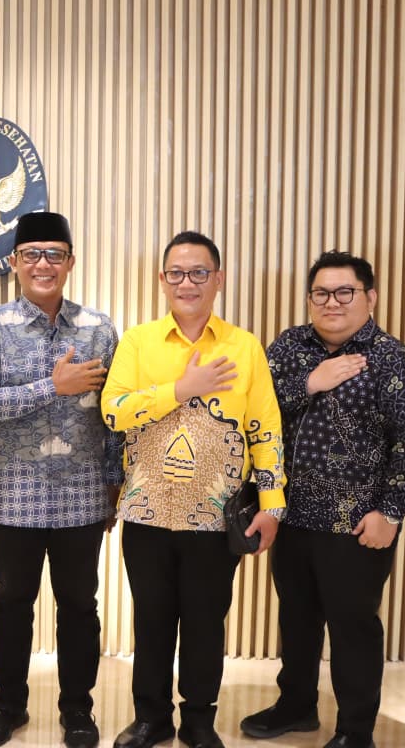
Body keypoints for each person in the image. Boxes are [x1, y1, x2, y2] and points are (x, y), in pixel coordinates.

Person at [241, 251, 405, 748]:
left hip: (356, 522)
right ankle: (296, 705)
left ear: (370, 297)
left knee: (353, 627)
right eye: (321, 293)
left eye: (344, 292)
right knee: (296, 617)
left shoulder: (394, 360)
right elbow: (255, 410)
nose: (332, 302)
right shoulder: (289, 347)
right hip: (290, 514)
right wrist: (311, 382)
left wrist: (390, 511)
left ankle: (355, 729)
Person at [101, 230, 286, 748]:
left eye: (199, 273)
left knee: (206, 623)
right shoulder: (139, 342)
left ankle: (199, 721)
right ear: (162, 281)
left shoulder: (243, 346)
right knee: (152, 622)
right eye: (177, 273)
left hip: (215, 518)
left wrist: (272, 504)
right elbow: (113, 412)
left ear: (218, 279)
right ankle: (151, 719)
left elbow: (266, 430)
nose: (188, 283)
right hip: (147, 513)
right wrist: (181, 390)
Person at [0, 211, 123, 748]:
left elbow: (115, 416)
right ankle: (7, 705)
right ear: (14, 262)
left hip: (83, 495)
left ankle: (78, 709)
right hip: (13, 496)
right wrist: (52, 386)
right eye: (32, 254)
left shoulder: (98, 328)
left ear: (70, 262)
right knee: (12, 603)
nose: (43, 264)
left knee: (79, 606)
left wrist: (114, 483)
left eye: (55, 253)